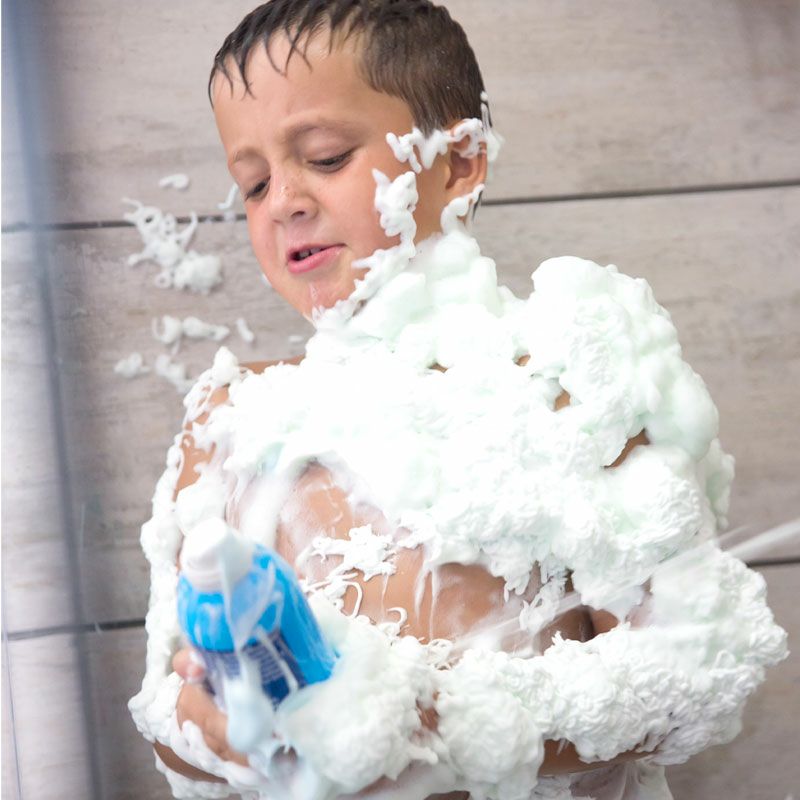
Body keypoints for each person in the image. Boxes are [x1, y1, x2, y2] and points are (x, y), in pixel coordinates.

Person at [129, 2, 785, 798]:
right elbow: (164, 707)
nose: (283, 200)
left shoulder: (570, 382)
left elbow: (694, 672)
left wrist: (439, 728)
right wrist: (231, 730)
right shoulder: (228, 419)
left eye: (326, 157)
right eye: (254, 183)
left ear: (460, 162)